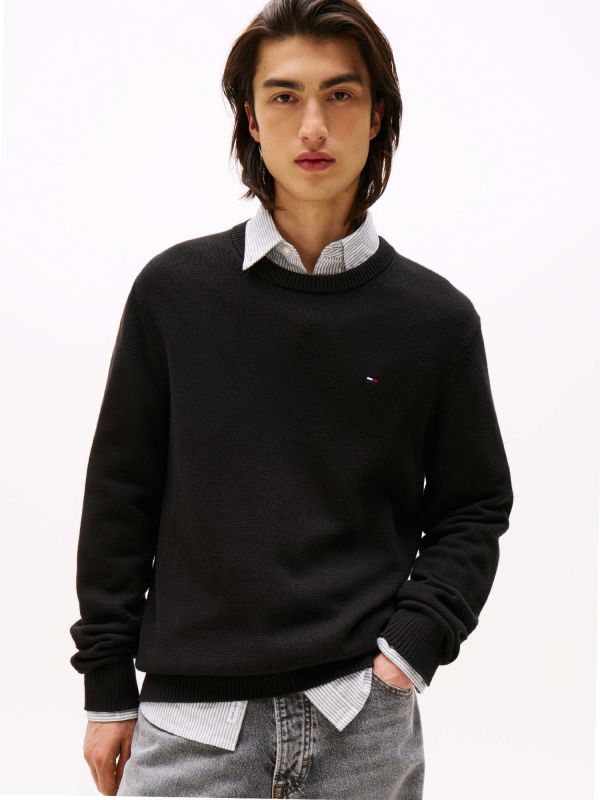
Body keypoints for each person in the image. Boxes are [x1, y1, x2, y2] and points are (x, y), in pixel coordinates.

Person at [69, 0, 514, 797]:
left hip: (361, 725)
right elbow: (119, 496)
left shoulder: (435, 321)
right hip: (193, 728)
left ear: (376, 115)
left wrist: (408, 653)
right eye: (285, 95)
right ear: (251, 115)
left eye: (340, 94)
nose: (313, 125)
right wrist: (107, 685)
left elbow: (473, 507)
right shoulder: (174, 296)